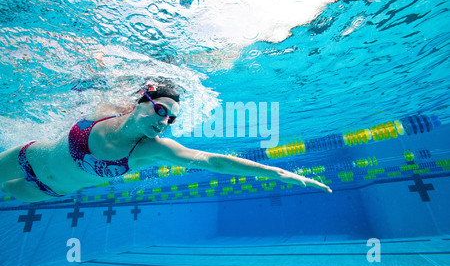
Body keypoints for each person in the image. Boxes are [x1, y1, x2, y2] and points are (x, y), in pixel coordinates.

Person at [0, 78, 332, 203]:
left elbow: (212, 161)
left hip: (45, 191)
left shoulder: (150, 150)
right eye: (160, 110)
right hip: (25, 157)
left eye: (171, 118)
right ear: (141, 101)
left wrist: (280, 173)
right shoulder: (109, 109)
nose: (164, 121)